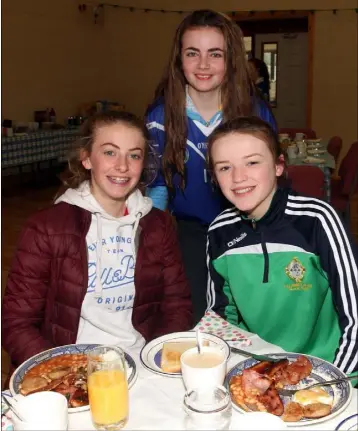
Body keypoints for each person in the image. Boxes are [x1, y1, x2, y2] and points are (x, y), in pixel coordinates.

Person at [2, 111, 193, 369]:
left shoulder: (159, 226)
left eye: (134, 155)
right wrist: (64, 371)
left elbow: (177, 305)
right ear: (86, 158)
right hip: (68, 366)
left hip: (141, 362)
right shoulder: (46, 228)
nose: (123, 166)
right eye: (110, 152)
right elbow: (16, 323)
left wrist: (158, 358)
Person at [146, 9, 277, 323]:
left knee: (251, 318)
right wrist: (151, 239)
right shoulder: (159, 117)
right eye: (193, 53)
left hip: (248, 228)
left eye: (214, 54)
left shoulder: (256, 113)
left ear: (231, 60)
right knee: (194, 318)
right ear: (179, 59)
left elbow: (271, 182)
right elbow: (158, 188)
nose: (203, 65)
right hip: (189, 234)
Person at [205, 116, 358, 374]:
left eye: (252, 162)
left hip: (328, 369)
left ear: (278, 166)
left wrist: (330, 382)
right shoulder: (219, 232)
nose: (238, 177)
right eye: (224, 168)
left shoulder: (317, 220)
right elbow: (220, 318)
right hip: (258, 370)